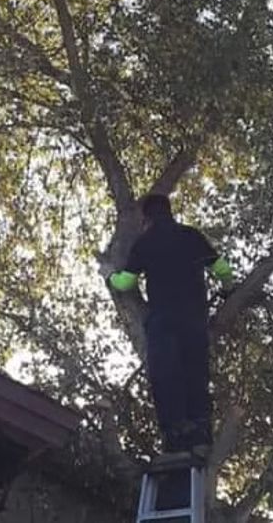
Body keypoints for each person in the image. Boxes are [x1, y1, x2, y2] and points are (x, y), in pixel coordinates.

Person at [104, 193, 234, 454]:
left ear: (146, 218)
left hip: (164, 320)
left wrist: (110, 277)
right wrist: (228, 289)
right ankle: (200, 432)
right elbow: (221, 269)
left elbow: (127, 283)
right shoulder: (191, 235)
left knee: (166, 375)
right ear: (169, 210)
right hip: (194, 319)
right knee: (196, 373)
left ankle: (175, 433)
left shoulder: (145, 242)